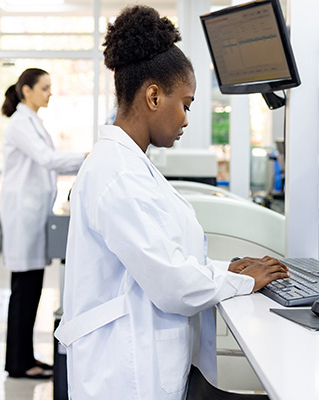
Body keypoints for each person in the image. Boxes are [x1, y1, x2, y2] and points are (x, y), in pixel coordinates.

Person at [54, 6, 290, 399]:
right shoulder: (118, 174)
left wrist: (224, 268)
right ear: (152, 95)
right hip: (124, 379)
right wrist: (242, 280)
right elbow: (173, 286)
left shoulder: (129, 165)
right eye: (186, 103)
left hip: (136, 364)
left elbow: (163, 258)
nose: (185, 119)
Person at [0, 68, 87, 379]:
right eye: (45, 88)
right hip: (23, 216)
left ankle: (24, 359)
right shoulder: (19, 123)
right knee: (24, 291)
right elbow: (48, 159)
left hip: (33, 214)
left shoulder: (32, 120)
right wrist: (89, 156)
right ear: (26, 90)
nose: (50, 93)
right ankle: (19, 363)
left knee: (30, 289)